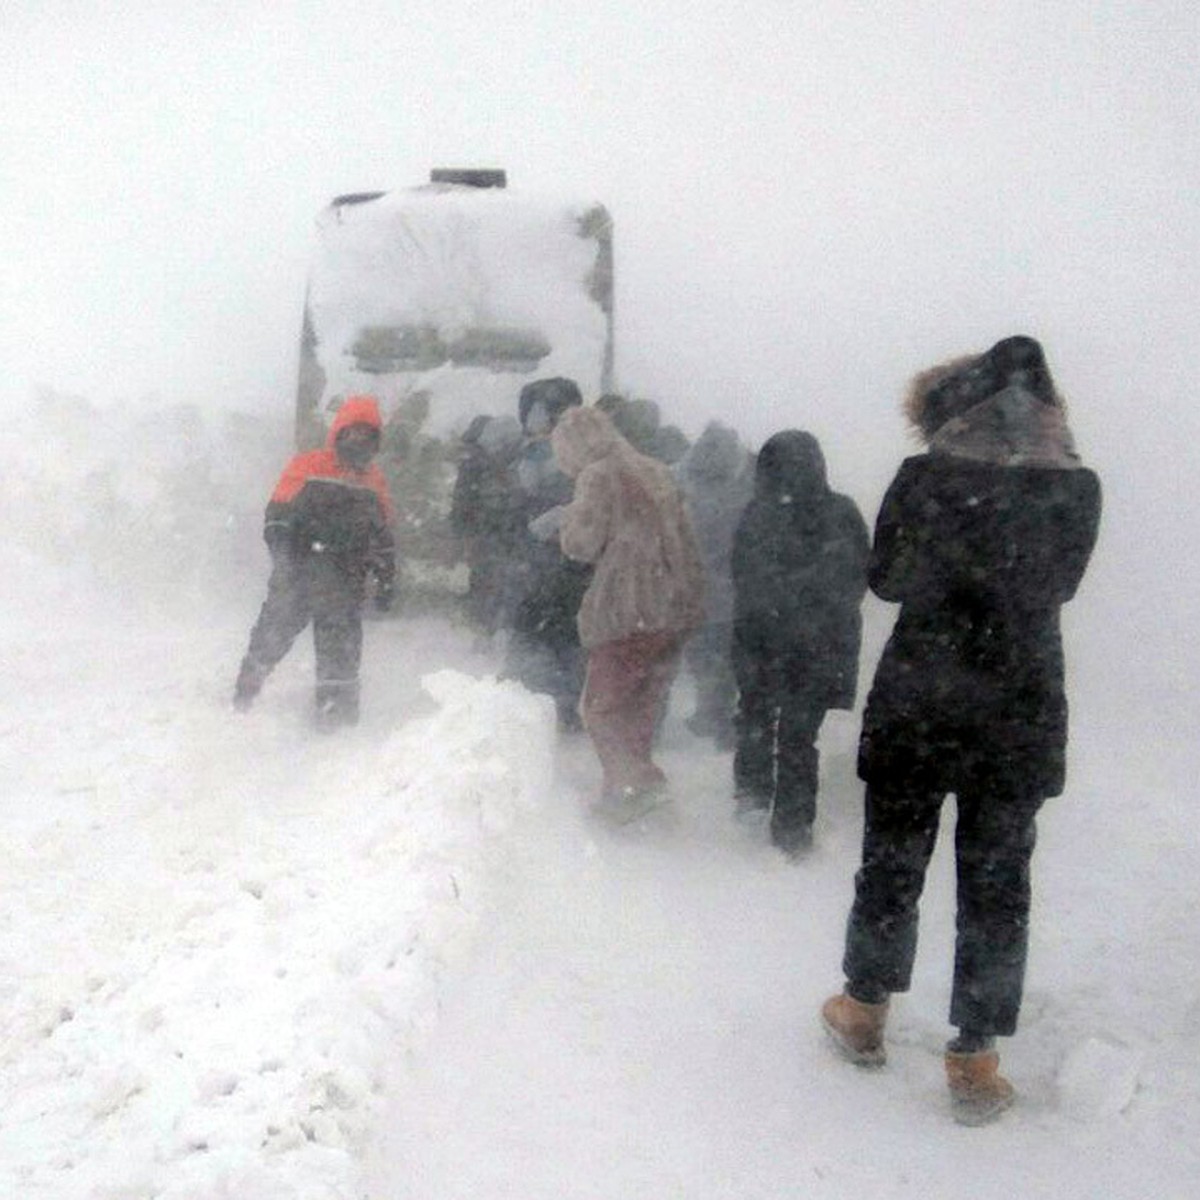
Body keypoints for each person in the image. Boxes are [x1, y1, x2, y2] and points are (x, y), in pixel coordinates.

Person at [820, 336, 1102, 1125]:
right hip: (1018, 708)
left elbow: (887, 579)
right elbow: (1063, 586)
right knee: (998, 887)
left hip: (922, 696)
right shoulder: (1078, 488)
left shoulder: (926, 476)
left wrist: (947, 564)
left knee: (892, 863)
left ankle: (865, 1009)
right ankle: (974, 1060)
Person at [548, 405, 705, 817]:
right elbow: (686, 537)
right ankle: (627, 791)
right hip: (671, 606)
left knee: (601, 707)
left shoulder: (598, 474)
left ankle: (637, 787)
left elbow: (581, 544)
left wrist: (565, 520)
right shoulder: (654, 469)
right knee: (641, 704)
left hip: (627, 607)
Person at [731, 430, 869, 855]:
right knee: (798, 735)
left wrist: (774, 604)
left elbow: (742, 574)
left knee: (755, 715)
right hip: (818, 646)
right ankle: (792, 827)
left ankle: (753, 796)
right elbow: (857, 577)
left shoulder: (759, 512)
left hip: (763, 638)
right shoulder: (841, 512)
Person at [233, 394, 397, 729]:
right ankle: (245, 695)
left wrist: (385, 575)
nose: (359, 441)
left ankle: (336, 719)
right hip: (299, 571)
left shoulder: (374, 481)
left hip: (345, 581)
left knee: (341, 650)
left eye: (368, 436)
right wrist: (284, 557)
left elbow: (382, 536)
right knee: (273, 633)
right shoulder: (308, 465)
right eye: (353, 433)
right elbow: (277, 515)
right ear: (338, 432)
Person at [501, 378, 591, 730]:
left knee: (549, 638)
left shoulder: (568, 463)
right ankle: (550, 710)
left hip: (553, 568)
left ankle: (542, 712)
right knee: (557, 639)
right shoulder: (539, 459)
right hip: (551, 569)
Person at [676, 420, 755, 749]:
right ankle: (724, 720)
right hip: (735, 589)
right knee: (726, 658)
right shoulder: (745, 488)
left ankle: (712, 711)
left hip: (697, 585)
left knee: (703, 656)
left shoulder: (688, 482)